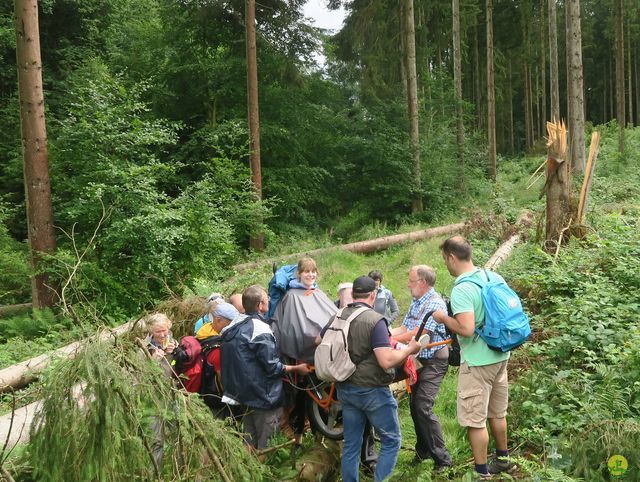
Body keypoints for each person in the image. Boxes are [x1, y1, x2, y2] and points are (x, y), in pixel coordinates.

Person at [321, 275, 421, 482]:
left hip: (345, 388)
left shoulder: (339, 315)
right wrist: (410, 349)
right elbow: (385, 361)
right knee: (392, 439)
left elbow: (319, 339)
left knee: (351, 443)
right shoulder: (375, 320)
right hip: (372, 390)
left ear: (354, 294)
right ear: (373, 295)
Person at [433, 236, 516, 478]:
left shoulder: (462, 288)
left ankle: (481, 473)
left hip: (478, 362)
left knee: (475, 420)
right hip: (501, 355)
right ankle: (502, 459)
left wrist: (443, 318)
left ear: (451, 257)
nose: (446, 265)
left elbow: (466, 329)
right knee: (498, 413)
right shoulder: (492, 276)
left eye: (444, 260)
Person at [220, 285, 310, 453]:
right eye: (267, 299)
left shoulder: (232, 326)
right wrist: (297, 368)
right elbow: (272, 367)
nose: (269, 301)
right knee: (266, 446)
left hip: (241, 395)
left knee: (249, 441)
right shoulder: (260, 329)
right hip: (263, 396)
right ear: (259, 305)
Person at [390, 265, 452, 471]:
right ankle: (423, 450)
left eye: (411, 280)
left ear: (422, 283)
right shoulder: (417, 302)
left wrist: (388, 338)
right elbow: (405, 327)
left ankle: (443, 460)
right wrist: (385, 333)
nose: (408, 284)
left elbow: (417, 333)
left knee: (423, 407)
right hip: (418, 362)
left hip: (434, 360)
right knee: (415, 407)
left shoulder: (435, 304)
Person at [271, 258, 338, 445]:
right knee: (301, 397)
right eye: (306, 272)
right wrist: (313, 337)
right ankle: (299, 436)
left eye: (313, 271)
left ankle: (320, 436)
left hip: (323, 354)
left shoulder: (317, 292)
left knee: (321, 393)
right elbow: (292, 328)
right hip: (302, 359)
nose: (310, 275)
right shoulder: (291, 296)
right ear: (299, 273)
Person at [194, 302, 240, 416]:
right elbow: (222, 379)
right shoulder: (217, 348)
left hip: (202, 394)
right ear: (218, 320)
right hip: (215, 400)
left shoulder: (204, 331)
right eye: (231, 323)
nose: (234, 326)